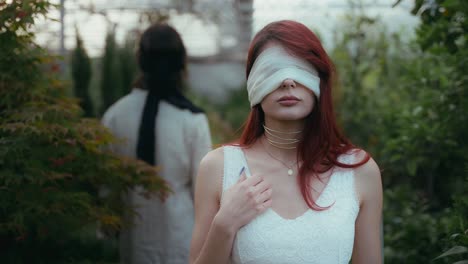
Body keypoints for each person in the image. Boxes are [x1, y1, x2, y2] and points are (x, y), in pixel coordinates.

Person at [189, 20, 383, 264]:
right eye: (273, 69)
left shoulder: (359, 171)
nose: (288, 81)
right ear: (253, 85)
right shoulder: (218, 168)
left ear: (319, 80)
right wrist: (224, 224)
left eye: (300, 68)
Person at [101, 23, 212, 264]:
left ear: (141, 61)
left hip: (134, 242)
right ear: (181, 63)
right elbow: (204, 194)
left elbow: (108, 189)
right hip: (181, 242)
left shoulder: (114, 116)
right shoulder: (192, 120)